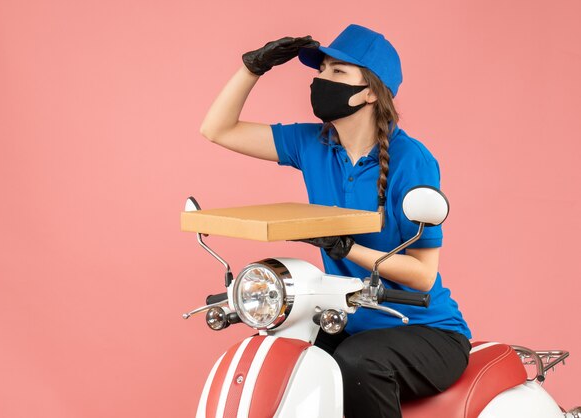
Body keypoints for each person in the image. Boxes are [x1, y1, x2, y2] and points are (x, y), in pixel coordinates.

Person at [200, 23, 472, 418]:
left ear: (369, 92)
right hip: (348, 320)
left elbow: (423, 276)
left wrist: (349, 247)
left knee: (358, 363)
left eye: (337, 72)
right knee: (285, 359)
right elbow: (217, 129)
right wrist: (252, 68)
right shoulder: (313, 144)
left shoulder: (410, 159)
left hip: (426, 328)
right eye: (322, 69)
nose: (321, 79)